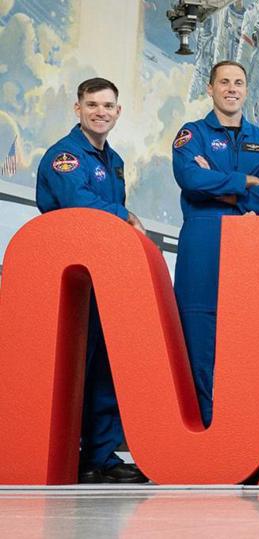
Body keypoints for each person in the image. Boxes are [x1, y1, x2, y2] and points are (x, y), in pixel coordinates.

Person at [35, 77, 148, 483]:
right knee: (71, 368)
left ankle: (99, 456)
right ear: (77, 109)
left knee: (104, 367)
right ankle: (64, 452)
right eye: (93, 105)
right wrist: (125, 216)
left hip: (102, 274)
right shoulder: (65, 156)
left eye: (108, 106)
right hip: (69, 282)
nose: (101, 112)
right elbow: (77, 204)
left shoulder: (112, 160)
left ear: (118, 112)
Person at [171, 60, 259, 426]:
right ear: (210, 89)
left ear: (246, 89)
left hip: (252, 243)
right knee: (199, 333)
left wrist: (223, 186)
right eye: (224, 82)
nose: (231, 88)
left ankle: (242, 430)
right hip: (204, 242)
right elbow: (190, 178)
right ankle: (205, 427)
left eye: (238, 82)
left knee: (246, 335)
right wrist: (247, 183)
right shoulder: (192, 135)